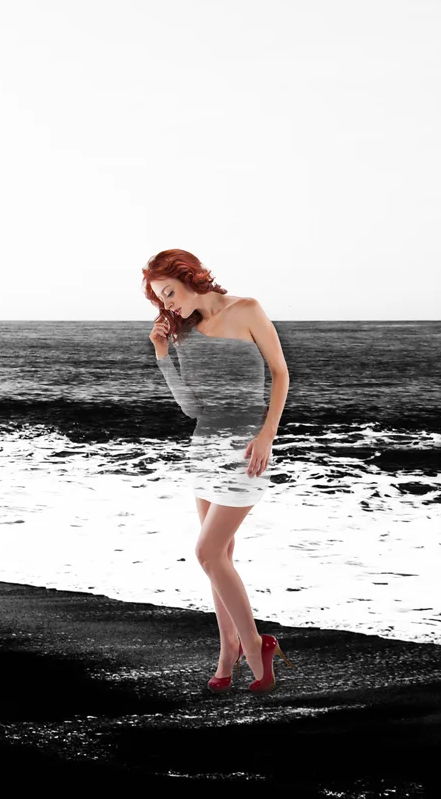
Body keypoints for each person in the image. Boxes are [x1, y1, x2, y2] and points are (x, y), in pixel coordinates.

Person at [142, 248, 293, 694]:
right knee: (220, 556)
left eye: (170, 292)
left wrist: (267, 435)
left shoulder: (247, 309)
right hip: (204, 450)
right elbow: (192, 408)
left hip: (247, 450)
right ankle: (228, 652)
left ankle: (257, 647)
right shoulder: (183, 333)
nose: (168, 304)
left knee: (207, 553)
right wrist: (163, 354)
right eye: (160, 298)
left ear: (191, 278)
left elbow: (280, 374)